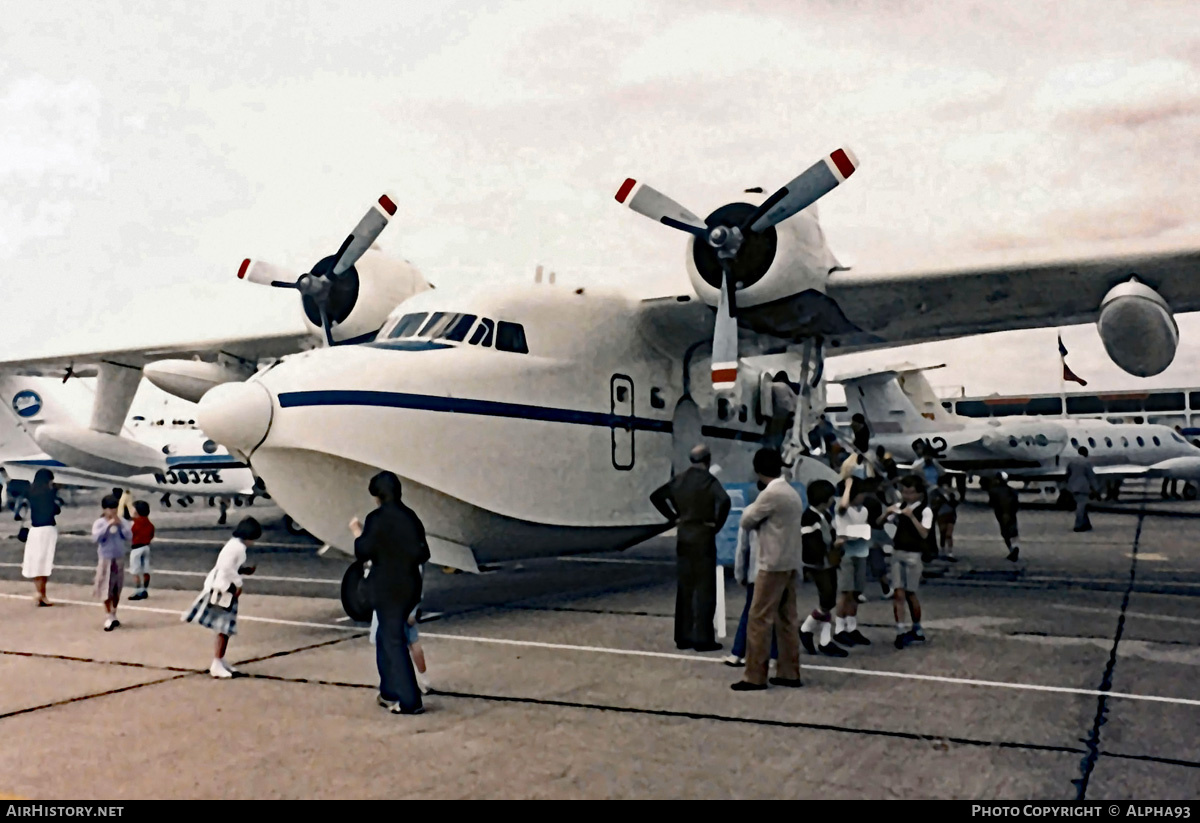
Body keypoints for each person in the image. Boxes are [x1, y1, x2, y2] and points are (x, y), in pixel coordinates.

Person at [352, 471, 431, 715]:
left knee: (393, 641)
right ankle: (388, 691)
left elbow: (363, 550)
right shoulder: (410, 517)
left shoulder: (376, 519)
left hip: (387, 588)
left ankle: (409, 699)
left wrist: (357, 531)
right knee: (387, 639)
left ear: (377, 496)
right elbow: (423, 553)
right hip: (409, 586)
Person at [732, 448, 805, 691]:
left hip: (770, 564)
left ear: (758, 469)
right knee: (786, 619)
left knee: (759, 619)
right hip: (790, 562)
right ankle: (788, 671)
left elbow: (746, 520)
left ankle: (755, 675)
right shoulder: (792, 493)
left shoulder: (771, 494)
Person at [650, 445, 731, 652]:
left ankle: (683, 636)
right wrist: (716, 524)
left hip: (684, 535)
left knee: (685, 587)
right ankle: (702, 638)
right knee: (704, 588)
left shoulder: (680, 479)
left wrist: (674, 516)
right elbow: (724, 501)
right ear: (708, 460)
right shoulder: (709, 481)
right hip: (703, 535)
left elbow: (657, 496)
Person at [183, 517, 261, 677]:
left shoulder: (234, 545)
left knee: (224, 628)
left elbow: (228, 566)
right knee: (224, 627)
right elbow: (225, 567)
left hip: (220, 586)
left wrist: (243, 570)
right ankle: (217, 662)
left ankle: (220, 660)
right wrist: (238, 583)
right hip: (223, 589)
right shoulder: (238, 548)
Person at [799, 479, 849, 657]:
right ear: (824, 499)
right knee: (826, 599)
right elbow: (811, 545)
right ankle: (806, 628)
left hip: (829, 562)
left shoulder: (825, 515)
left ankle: (825, 640)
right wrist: (835, 545)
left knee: (828, 600)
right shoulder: (809, 518)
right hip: (818, 564)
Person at [887, 475, 934, 649]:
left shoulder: (925, 511)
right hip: (898, 551)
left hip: (914, 554)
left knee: (910, 592)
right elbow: (882, 523)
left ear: (919, 494)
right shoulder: (901, 506)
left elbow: (924, 533)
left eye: (911, 493)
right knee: (898, 592)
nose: (907, 496)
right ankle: (900, 630)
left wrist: (912, 517)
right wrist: (888, 513)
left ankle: (917, 626)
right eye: (904, 492)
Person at [726, 510, 778, 667]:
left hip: (754, 574)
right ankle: (773, 654)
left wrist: (739, 574)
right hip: (776, 572)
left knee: (750, 612)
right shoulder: (782, 516)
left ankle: (738, 652)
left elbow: (742, 549)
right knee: (775, 613)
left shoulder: (749, 516)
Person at [370, 568, 431, 694]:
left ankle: (398, 684)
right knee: (412, 644)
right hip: (403, 604)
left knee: (392, 648)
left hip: (394, 607)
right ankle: (423, 680)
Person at [832, 479, 873, 648]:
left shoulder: (863, 510)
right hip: (846, 553)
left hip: (861, 551)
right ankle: (839, 628)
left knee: (856, 592)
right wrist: (848, 486)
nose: (863, 496)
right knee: (845, 591)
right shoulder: (841, 508)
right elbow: (843, 507)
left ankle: (852, 626)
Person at [20, 469, 60, 607]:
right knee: (44, 562)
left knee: (36, 562)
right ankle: (42, 594)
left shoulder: (31, 493)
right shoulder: (49, 494)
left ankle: (39, 592)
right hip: (47, 529)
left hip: (34, 530)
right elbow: (56, 509)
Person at [92, 495, 132, 631]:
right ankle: (108, 614)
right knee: (105, 586)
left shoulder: (123, 521)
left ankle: (114, 613)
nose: (113, 512)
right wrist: (108, 526)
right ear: (104, 509)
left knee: (117, 587)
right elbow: (96, 538)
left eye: (115, 508)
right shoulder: (100, 523)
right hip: (105, 558)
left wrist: (120, 525)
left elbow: (129, 536)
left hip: (119, 557)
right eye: (110, 509)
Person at [985, 474, 1021, 562]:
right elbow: (1016, 503)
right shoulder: (1012, 490)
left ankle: (1012, 549)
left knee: (1005, 533)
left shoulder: (993, 491)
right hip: (1012, 513)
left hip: (1001, 514)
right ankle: (1015, 546)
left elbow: (991, 503)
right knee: (1014, 532)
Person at [1064, 446, 1100, 532]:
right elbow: (1091, 477)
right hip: (1083, 487)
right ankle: (1078, 525)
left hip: (1072, 486)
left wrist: (1067, 486)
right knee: (1081, 507)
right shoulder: (1086, 462)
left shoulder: (1072, 462)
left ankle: (1086, 524)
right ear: (1085, 453)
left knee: (1082, 506)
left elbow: (1068, 474)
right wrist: (1096, 489)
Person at [128, 501, 156, 600]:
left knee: (135, 570)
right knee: (146, 569)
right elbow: (151, 534)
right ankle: (145, 590)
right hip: (146, 546)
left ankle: (137, 591)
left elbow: (129, 534)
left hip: (136, 548)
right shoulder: (149, 523)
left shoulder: (134, 523)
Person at [762, 372, 797, 451]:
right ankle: (776, 448)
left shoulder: (771, 385)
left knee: (774, 431)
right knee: (781, 431)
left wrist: (766, 414)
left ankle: (770, 448)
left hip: (779, 411)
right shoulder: (787, 387)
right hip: (789, 412)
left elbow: (766, 399)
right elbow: (796, 400)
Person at [929, 475, 959, 561]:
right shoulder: (935, 492)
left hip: (951, 514)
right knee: (942, 532)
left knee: (948, 534)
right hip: (940, 514)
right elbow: (932, 503)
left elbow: (957, 501)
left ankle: (950, 551)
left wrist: (951, 495)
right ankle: (942, 549)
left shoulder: (952, 492)